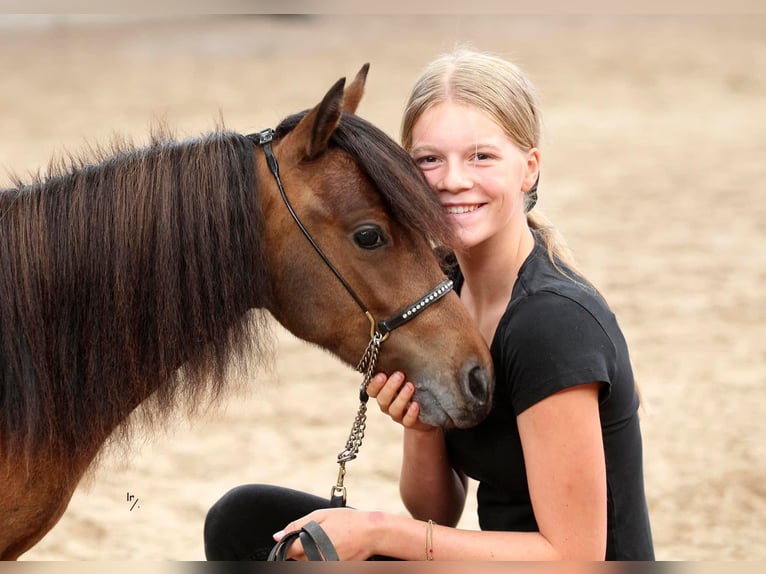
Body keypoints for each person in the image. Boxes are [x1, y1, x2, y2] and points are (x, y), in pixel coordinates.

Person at [203, 47, 654, 561]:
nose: (452, 180)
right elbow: (434, 511)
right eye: (429, 160)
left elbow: (576, 558)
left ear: (528, 169)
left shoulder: (550, 323)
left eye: (481, 156)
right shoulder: (444, 291)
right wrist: (422, 427)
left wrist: (374, 532)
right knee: (247, 520)